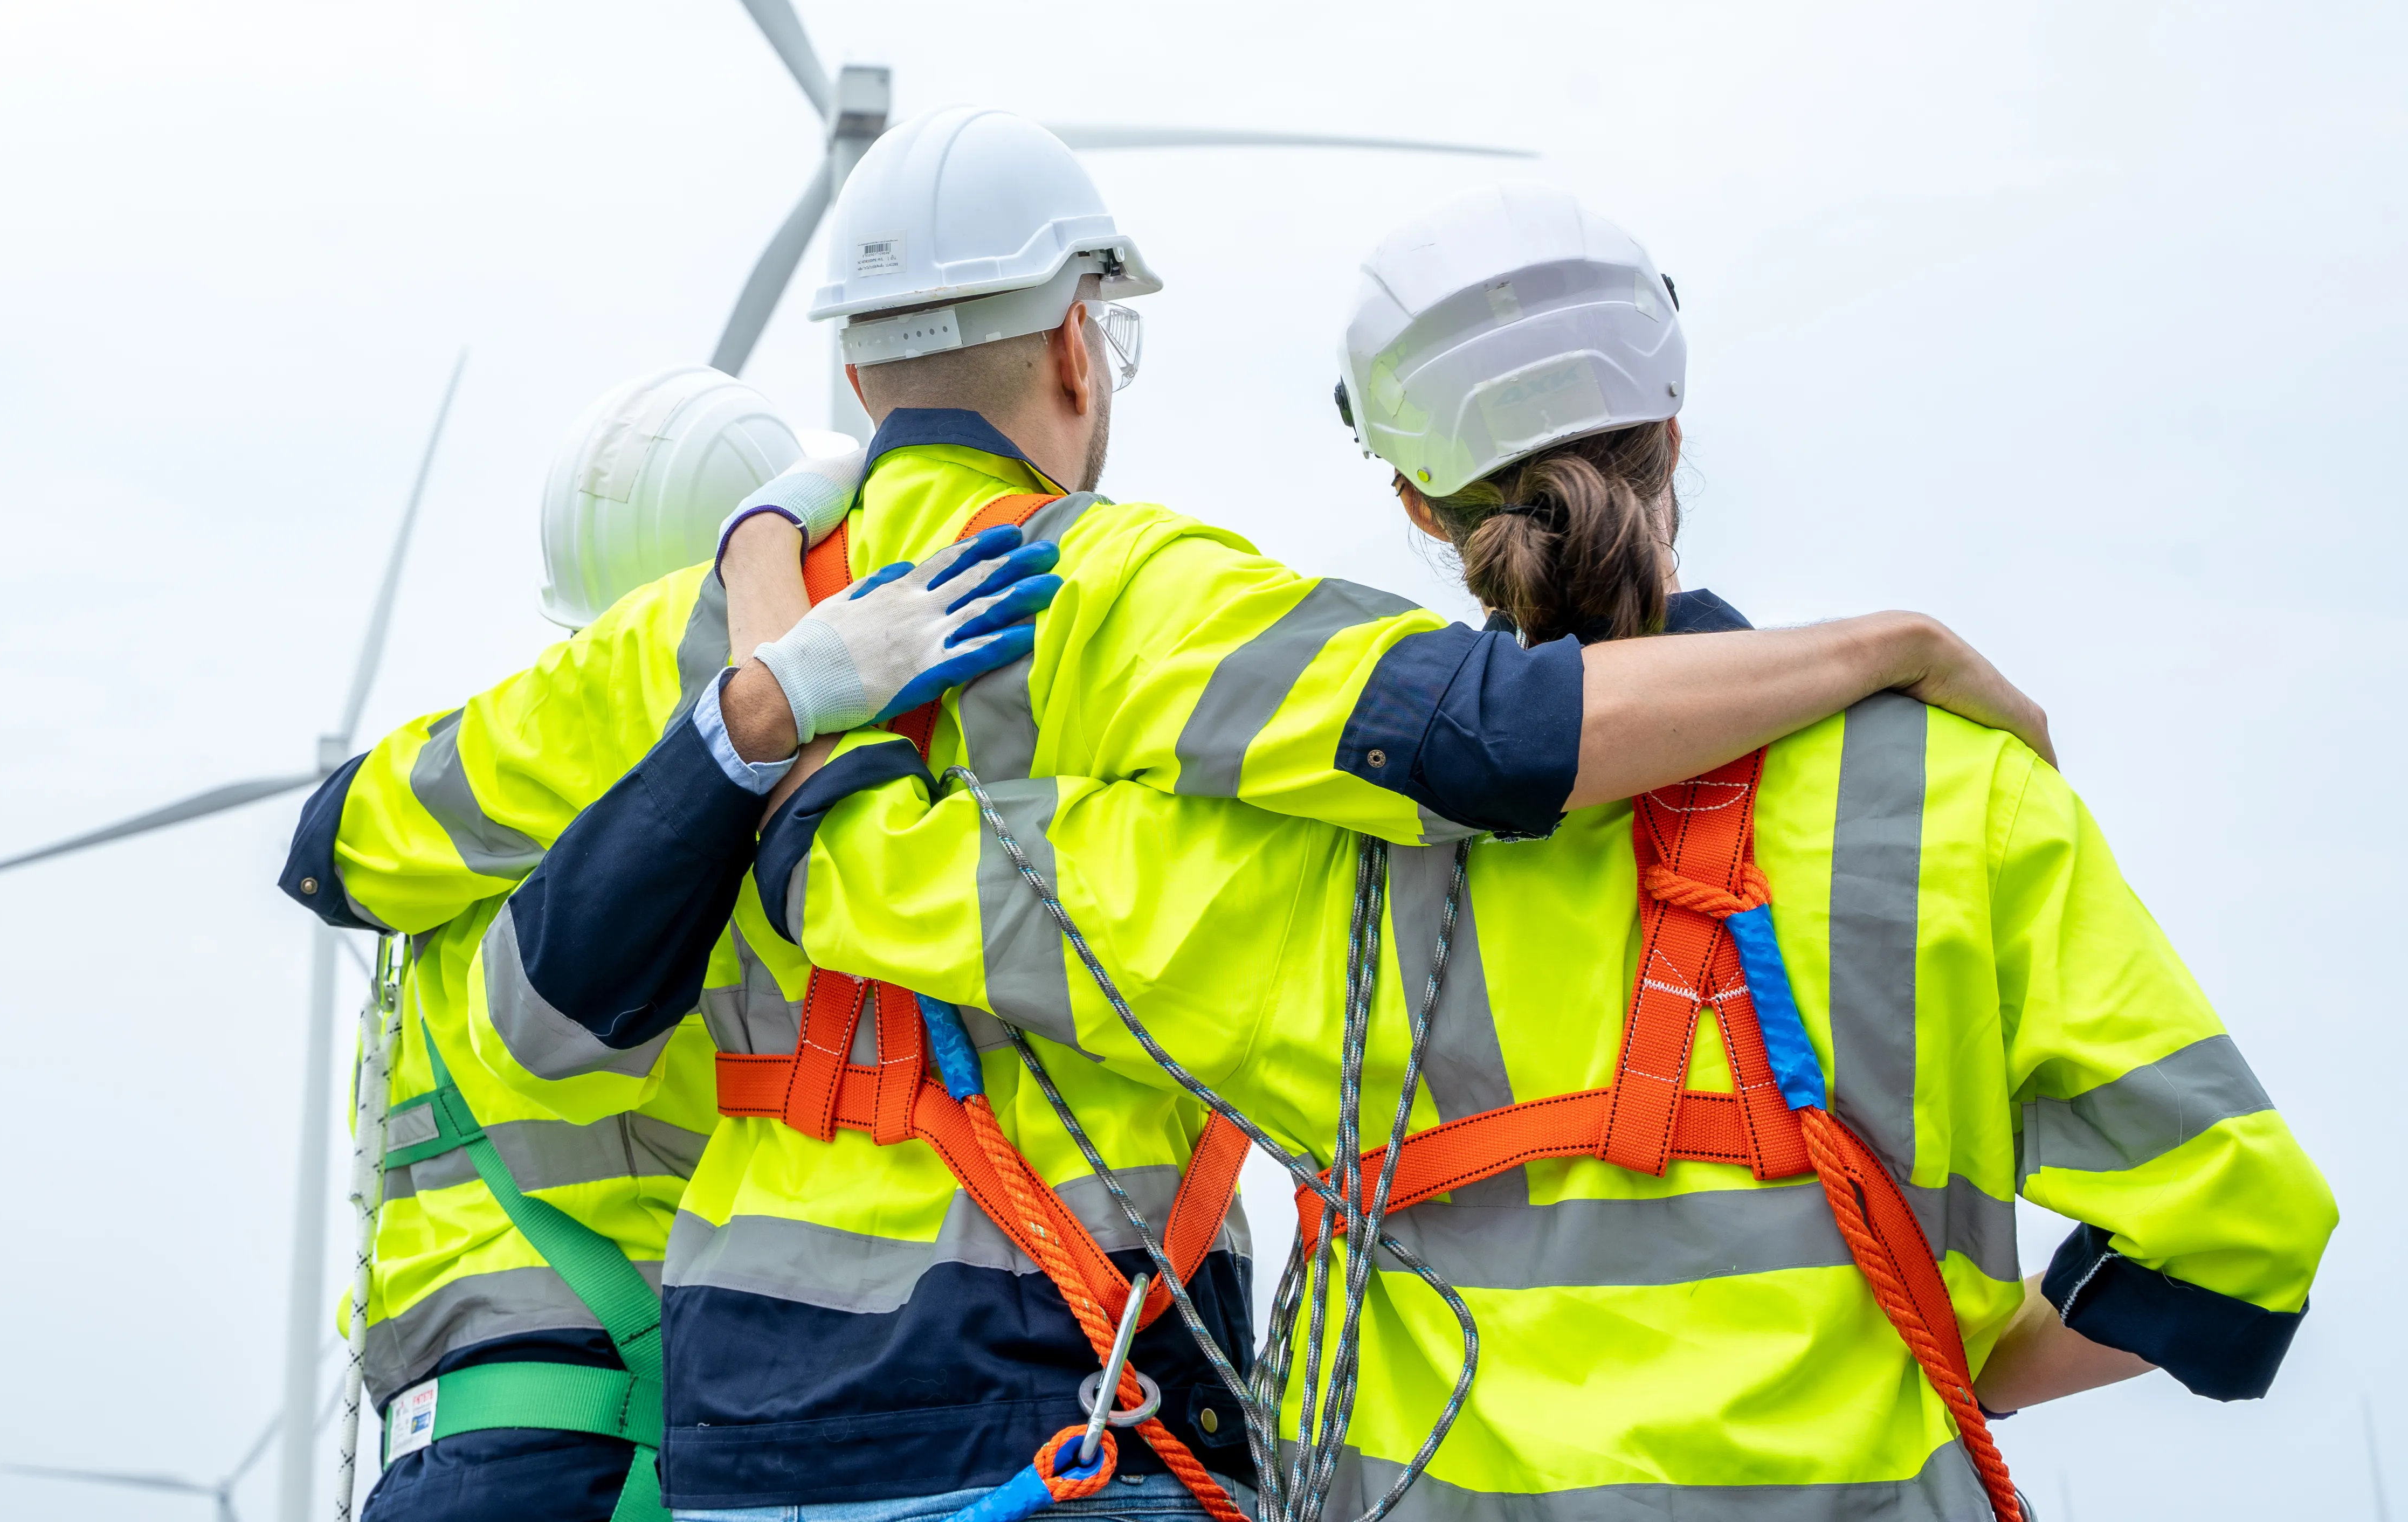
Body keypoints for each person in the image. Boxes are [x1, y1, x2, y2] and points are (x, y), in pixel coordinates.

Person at [422, 127, 2067, 1520]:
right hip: (1061, 1395)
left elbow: (425, 916)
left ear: (854, 373)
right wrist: (1879, 649)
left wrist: (766, 587)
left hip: (743, 1421)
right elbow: (1491, 739)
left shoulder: (692, 633)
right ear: (1080, 346)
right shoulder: (1131, 586)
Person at [307, 367, 1044, 1522]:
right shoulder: (757, 823)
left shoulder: (469, 790)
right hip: (632, 1447)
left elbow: (328, 841)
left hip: (451, 1448)